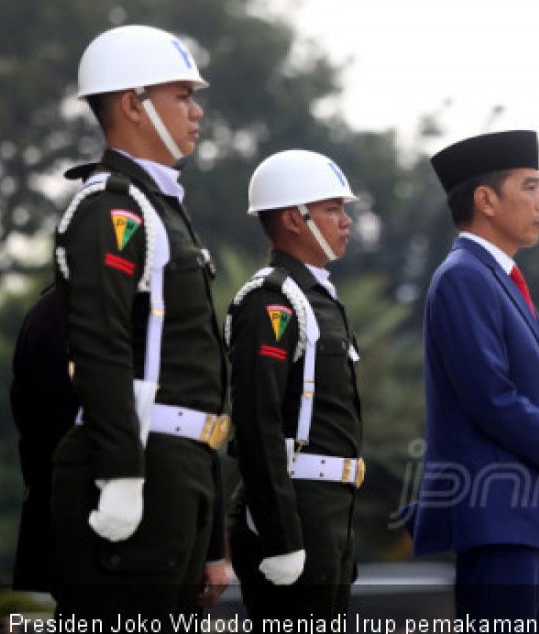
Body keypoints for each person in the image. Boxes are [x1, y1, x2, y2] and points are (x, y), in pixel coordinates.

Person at [50, 24, 229, 617]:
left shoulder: (160, 210)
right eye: (181, 95)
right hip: (136, 468)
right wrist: (123, 474)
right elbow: (99, 345)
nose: (196, 110)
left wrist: (215, 536)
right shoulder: (112, 209)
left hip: (178, 473)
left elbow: (200, 381)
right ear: (133, 104)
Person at [411, 130, 539, 624]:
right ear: (486, 200)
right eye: (530, 187)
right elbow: (490, 396)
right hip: (498, 521)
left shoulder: (498, 279)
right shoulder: (464, 277)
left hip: (527, 521)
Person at [227, 150, 365, 622]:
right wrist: (282, 537)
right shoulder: (272, 301)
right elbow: (256, 423)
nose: (346, 221)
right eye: (332, 209)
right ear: (293, 218)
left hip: (327, 512)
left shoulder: (319, 299)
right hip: (296, 509)